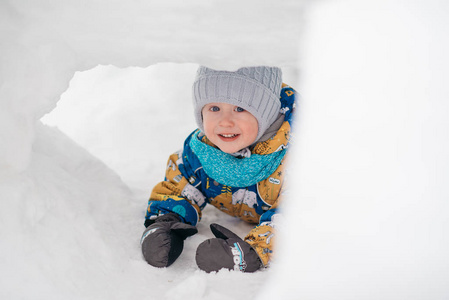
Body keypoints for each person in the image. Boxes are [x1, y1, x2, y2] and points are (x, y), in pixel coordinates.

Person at [140, 66, 296, 273]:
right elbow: (181, 184)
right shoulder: (202, 150)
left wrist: (254, 251)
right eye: (214, 108)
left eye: (240, 108)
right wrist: (165, 221)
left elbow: (298, 217)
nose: (225, 121)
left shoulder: (298, 158)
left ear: (266, 113)